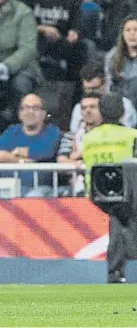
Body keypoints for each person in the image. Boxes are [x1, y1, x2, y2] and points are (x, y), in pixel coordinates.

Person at [81, 93, 137, 283]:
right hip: (128, 191)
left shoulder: (88, 138)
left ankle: (115, 270)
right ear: (122, 112)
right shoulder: (132, 135)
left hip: (98, 192)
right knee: (126, 222)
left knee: (118, 222)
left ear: (101, 113)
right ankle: (117, 268)